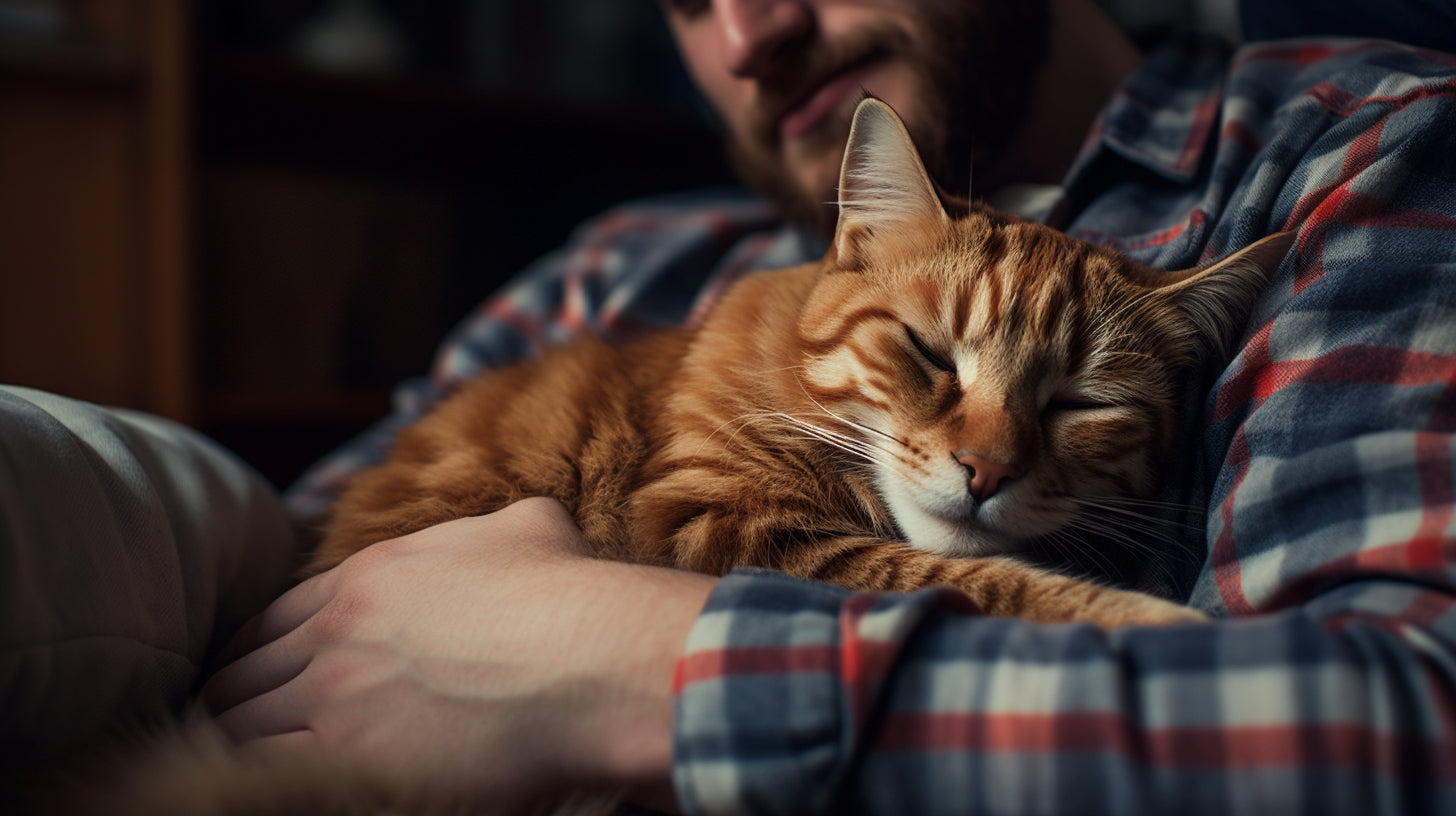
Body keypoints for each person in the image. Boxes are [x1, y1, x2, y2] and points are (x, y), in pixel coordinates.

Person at [7, 0, 1456, 812]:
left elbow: (1401, 732)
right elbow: (284, 576)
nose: (749, 31)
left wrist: (610, 659)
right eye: (688, 2)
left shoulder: (1357, 163)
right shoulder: (627, 267)